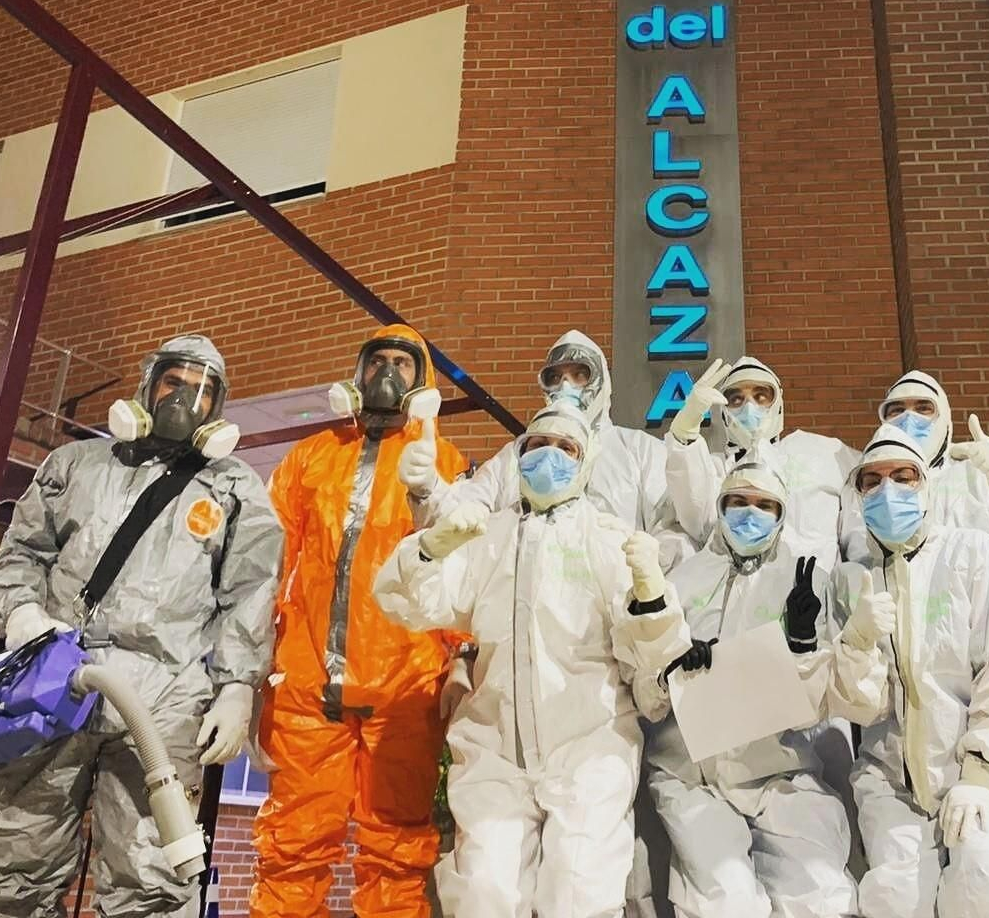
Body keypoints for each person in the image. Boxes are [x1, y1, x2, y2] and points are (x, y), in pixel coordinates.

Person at [0, 335, 281, 918]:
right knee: (19, 857)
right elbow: (19, 554)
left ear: (220, 408)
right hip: (56, 679)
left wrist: (239, 687)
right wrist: (22, 613)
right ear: (147, 385)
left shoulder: (233, 486)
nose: (186, 399)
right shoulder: (76, 464)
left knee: (152, 875)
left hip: (164, 699)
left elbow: (250, 593)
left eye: (205, 390)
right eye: (175, 382)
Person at [374, 403, 691, 918]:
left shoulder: (606, 538)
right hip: (493, 749)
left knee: (578, 895)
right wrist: (429, 549)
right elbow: (409, 604)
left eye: (565, 448)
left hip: (589, 745)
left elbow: (654, 655)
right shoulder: (487, 537)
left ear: (585, 465)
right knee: (483, 895)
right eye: (537, 446)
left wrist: (652, 599)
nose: (549, 457)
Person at [250, 324, 470, 918]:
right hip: (305, 689)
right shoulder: (310, 459)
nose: (388, 374)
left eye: (403, 363)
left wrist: (462, 659)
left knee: (395, 853)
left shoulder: (443, 463)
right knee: (292, 849)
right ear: (358, 373)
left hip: (404, 692)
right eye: (378, 362)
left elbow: (461, 573)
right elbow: (268, 569)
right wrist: (248, 670)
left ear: (421, 383)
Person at [832, 427, 989, 918]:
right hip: (892, 777)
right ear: (857, 495)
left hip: (988, 767)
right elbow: (863, 707)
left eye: (903, 476)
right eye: (871, 481)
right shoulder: (853, 581)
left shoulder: (976, 555)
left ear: (927, 486)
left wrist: (978, 772)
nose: (887, 490)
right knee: (894, 898)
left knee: (986, 880)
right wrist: (855, 643)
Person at [636, 460, 879, 918]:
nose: (751, 513)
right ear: (721, 507)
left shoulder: (806, 583)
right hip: (692, 775)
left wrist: (803, 646)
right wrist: (669, 667)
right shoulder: (683, 581)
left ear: (782, 513)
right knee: (724, 902)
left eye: (765, 504)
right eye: (739, 501)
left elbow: (838, 697)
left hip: (780, 768)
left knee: (822, 897)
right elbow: (645, 699)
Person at [402, 329, 687, 567]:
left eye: (579, 374)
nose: (566, 386)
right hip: (527, 610)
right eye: (555, 377)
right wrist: (428, 489)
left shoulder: (639, 451)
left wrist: (648, 581)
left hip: (616, 615)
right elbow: (463, 516)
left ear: (602, 381)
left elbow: (673, 532)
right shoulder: (515, 456)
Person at [666, 356, 859, 569]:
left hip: (818, 592)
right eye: (737, 399)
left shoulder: (821, 454)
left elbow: (874, 483)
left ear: (778, 405)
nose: (749, 407)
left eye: (761, 396)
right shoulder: (714, 468)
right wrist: (685, 433)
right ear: (724, 412)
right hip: (741, 593)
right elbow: (699, 522)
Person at [869, 369, 989, 564]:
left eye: (923, 409)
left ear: (944, 418)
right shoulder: (868, 488)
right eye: (897, 410)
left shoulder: (977, 474)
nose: (909, 419)